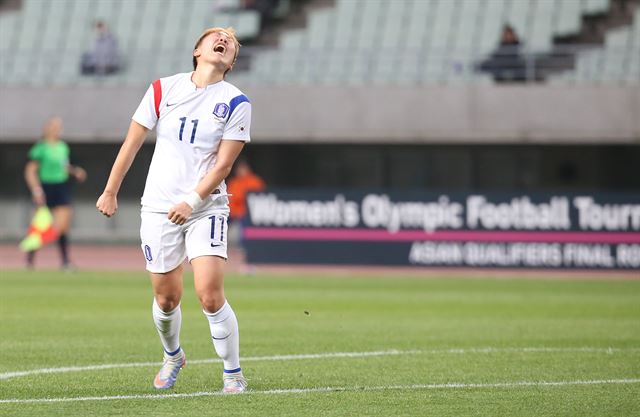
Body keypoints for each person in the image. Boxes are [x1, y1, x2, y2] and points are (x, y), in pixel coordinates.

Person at [96, 27, 251, 393]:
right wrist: (110, 191)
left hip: (205, 206)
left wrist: (192, 201)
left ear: (231, 62)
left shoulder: (236, 101)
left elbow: (223, 167)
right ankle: (173, 355)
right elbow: (132, 144)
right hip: (158, 208)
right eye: (217, 36)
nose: (225, 40)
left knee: (209, 293)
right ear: (197, 49)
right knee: (166, 298)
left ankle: (232, 373)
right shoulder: (163, 89)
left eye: (232, 43)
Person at [24, 117, 87, 269]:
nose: (57, 129)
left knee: (63, 226)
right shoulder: (41, 147)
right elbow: (30, 171)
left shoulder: (63, 147)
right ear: (47, 128)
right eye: (54, 126)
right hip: (45, 187)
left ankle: (65, 261)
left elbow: (63, 166)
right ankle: (30, 260)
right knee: (39, 225)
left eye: (59, 126)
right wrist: (36, 190)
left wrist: (75, 171)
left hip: (61, 187)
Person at [227, 158, 265, 268]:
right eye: (239, 169)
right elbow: (230, 198)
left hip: (247, 213)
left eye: (243, 169)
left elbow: (258, 198)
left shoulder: (254, 181)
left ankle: (247, 256)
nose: (241, 171)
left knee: (244, 232)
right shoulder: (234, 182)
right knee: (220, 224)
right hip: (233, 212)